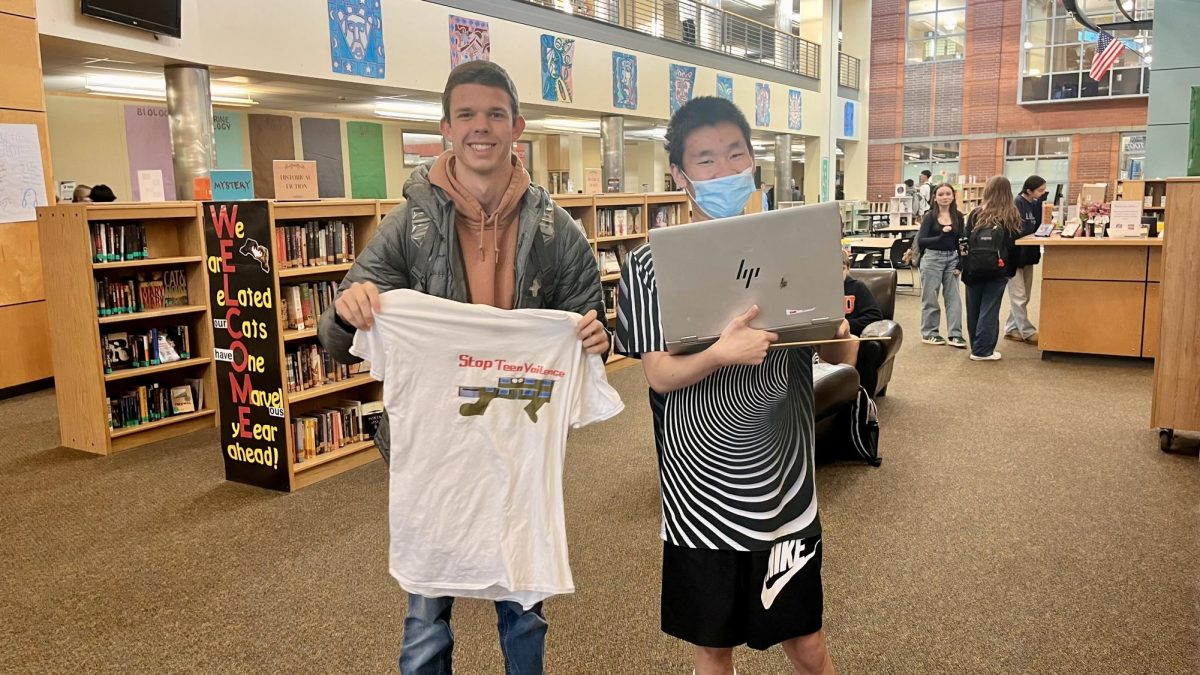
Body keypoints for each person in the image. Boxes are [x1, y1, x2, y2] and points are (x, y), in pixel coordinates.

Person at [317, 60, 609, 674]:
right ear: (446, 128)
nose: (483, 127)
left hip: (516, 430)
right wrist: (348, 313)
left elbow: (593, 312)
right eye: (468, 115)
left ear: (517, 126)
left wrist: (595, 334)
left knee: (522, 595)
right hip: (437, 446)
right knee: (427, 606)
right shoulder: (409, 228)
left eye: (495, 114)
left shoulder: (556, 230)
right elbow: (337, 338)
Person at [616, 96, 847, 675]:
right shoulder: (649, 266)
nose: (723, 171)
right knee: (712, 649)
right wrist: (721, 353)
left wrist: (835, 318)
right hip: (700, 504)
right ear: (680, 174)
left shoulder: (796, 247)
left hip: (786, 494)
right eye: (706, 160)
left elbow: (841, 353)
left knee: (807, 642)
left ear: (753, 161)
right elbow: (659, 375)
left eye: (735, 155)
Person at [960, 176, 1023, 362]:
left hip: (973, 269)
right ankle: (983, 350)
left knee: (974, 308)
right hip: (998, 269)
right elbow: (1013, 246)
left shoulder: (975, 213)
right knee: (990, 308)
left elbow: (964, 241)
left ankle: (976, 346)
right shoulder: (1011, 214)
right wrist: (1010, 271)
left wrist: (965, 266)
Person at [916, 184, 968, 348]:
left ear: (953, 196)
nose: (945, 197)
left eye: (948, 194)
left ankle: (955, 334)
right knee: (931, 297)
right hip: (932, 259)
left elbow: (962, 241)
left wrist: (961, 262)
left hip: (952, 258)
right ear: (935, 197)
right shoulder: (930, 216)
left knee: (954, 299)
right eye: (941, 194)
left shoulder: (958, 216)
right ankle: (930, 333)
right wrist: (940, 235)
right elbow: (921, 240)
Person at [1006, 175, 1046, 345]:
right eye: (1040, 190)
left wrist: (1041, 203)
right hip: (1015, 256)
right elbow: (1018, 230)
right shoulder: (1017, 204)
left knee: (1025, 295)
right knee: (1019, 295)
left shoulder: (1033, 204)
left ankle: (1011, 328)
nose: (1043, 193)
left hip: (1028, 254)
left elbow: (1036, 226)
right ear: (1028, 190)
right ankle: (1027, 331)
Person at [841, 249, 883, 368]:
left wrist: (848, 324)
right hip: (824, 338)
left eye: (842, 269)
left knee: (852, 341)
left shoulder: (857, 287)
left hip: (850, 338)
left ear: (848, 269)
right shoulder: (819, 290)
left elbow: (875, 315)